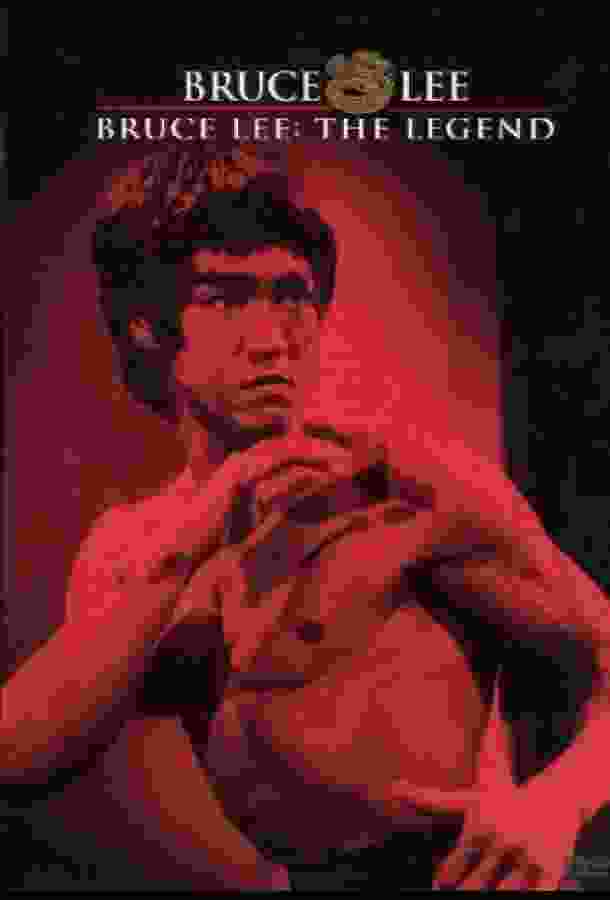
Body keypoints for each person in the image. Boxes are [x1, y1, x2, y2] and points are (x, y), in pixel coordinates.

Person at [2, 144, 609, 891]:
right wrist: (190, 544)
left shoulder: (402, 494)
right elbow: (18, 761)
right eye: (225, 299)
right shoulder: (138, 549)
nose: (272, 339)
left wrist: (554, 807)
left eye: (291, 294)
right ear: (146, 327)